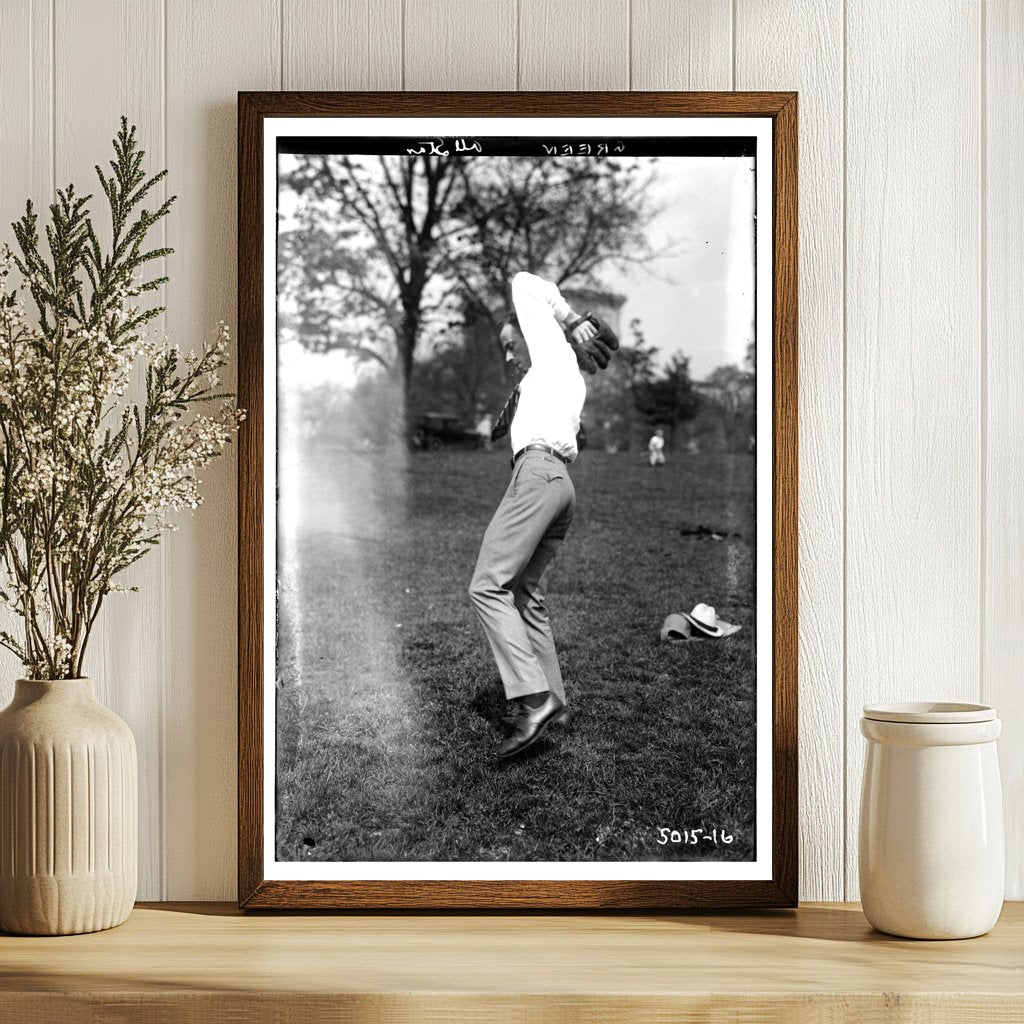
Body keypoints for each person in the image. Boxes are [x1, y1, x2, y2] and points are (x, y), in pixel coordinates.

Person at [468, 271, 613, 759]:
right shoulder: (551, 377)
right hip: (556, 484)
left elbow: (523, 282)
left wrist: (568, 319)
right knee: (526, 593)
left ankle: (534, 698)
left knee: (487, 585)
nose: (509, 356)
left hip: (538, 475)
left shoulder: (552, 352)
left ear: (533, 336)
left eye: (512, 345)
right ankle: (559, 704)